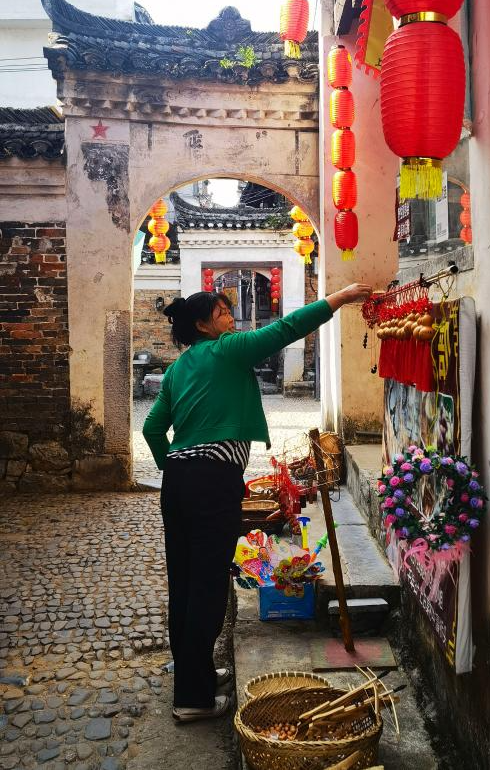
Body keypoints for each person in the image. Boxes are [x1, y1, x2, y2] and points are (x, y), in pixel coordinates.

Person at [142, 281, 372, 723]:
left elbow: (153, 429)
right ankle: (193, 699)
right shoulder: (227, 349)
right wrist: (338, 299)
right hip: (212, 481)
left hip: (179, 484)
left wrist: (175, 468)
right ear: (203, 325)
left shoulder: (178, 368)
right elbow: (285, 329)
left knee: (185, 583)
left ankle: (196, 676)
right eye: (223, 313)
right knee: (209, 584)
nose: (231, 318)